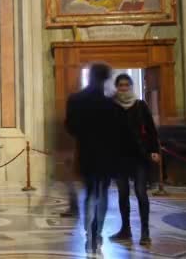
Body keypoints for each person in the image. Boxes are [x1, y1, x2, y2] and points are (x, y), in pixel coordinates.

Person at [65, 63, 120, 255]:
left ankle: (90, 233)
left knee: (89, 193)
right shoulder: (110, 103)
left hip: (86, 151)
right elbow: (117, 133)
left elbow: (70, 127)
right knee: (103, 194)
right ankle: (97, 233)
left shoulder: (75, 99)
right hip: (106, 154)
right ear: (105, 79)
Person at [109, 74, 160, 245]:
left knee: (140, 192)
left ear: (130, 86)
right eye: (120, 85)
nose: (123, 88)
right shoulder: (112, 106)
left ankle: (145, 232)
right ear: (117, 87)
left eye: (126, 85)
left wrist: (154, 150)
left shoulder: (140, 105)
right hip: (119, 157)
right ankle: (126, 229)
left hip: (139, 156)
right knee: (123, 194)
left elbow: (151, 130)